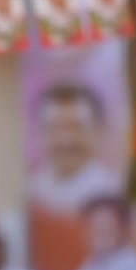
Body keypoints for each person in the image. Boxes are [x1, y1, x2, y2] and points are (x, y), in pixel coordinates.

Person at [28, 85, 121, 216]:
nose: (66, 141)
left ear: (98, 131)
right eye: (55, 128)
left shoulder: (109, 196)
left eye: (77, 127)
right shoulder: (32, 188)